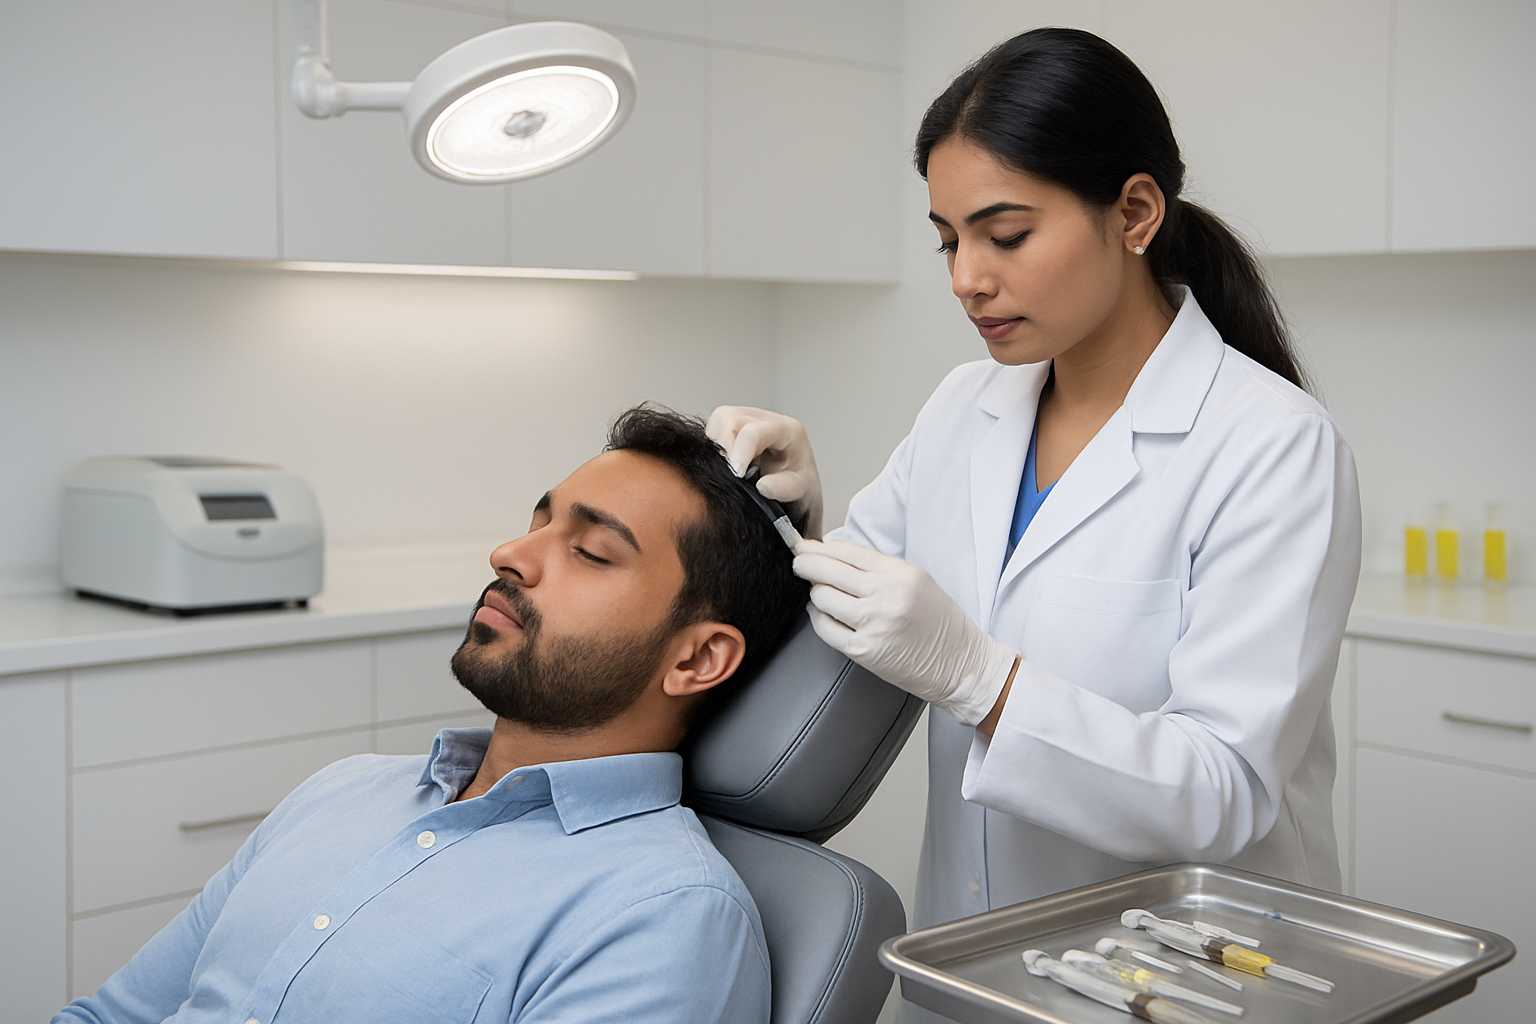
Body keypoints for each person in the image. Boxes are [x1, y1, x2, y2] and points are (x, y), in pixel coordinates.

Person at [710, 26, 1362, 939]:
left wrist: (980, 678)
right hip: (973, 954)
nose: (967, 279)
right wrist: (797, 520)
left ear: (1135, 214)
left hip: (1194, 966)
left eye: (1006, 235)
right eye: (947, 242)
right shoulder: (963, 407)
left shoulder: (1273, 446)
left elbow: (1222, 791)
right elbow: (856, 612)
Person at [55, 405, 811, 1024]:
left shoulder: (662, 916)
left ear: (697, 659)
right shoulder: (339, 791)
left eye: (590, 552)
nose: (510, 553)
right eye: (537, 522)